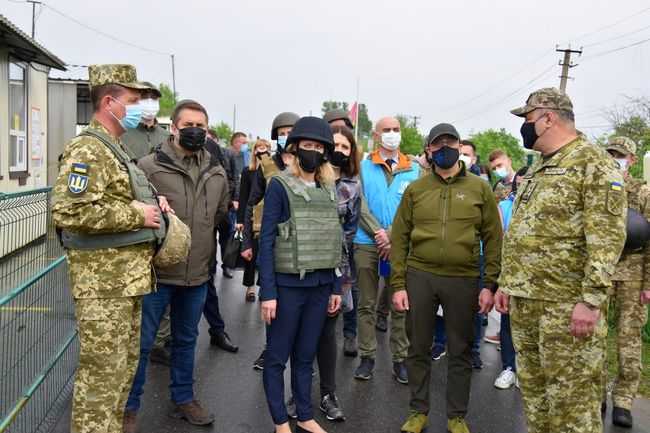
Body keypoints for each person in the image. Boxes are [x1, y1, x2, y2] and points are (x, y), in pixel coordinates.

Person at [495, 87, 627, 433]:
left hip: (567, 308)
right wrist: (507, 283)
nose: (524, 128)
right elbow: (522, 229)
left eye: (527, 120)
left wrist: (591, 300)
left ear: (548, 118)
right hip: (527, 303)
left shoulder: (593, 163)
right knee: (536, 402)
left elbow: (607, 239)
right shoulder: (539, 166)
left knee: (572, 409)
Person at [52, 64, 164, 433]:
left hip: (123, 283)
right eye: (133, 100)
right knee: (101, 379)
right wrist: (137, 215)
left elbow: (116, 198)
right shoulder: (88, 148)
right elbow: (70, 210)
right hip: (103, 287)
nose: (140, 107)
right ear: (109, 101)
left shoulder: (114, 147)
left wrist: (149, 203)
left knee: (120, 373)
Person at [124, 99, 229, 430]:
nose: (196, 132)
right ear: (174, 128)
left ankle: (182, 400)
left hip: (196, 275)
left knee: (186, 341)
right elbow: (131, 212)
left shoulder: (216, 170)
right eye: (189, 126)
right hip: (157, 275)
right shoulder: (147, 167)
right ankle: (128, 409)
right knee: (141, 345)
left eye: (201, 126)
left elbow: (221, 214)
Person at [392, 123, 502, 433]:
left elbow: (494, 238)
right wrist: (399, 284)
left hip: (463, 278)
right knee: (418, 347)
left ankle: (456, 415)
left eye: (449, 142)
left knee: (460, 349)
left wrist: (489, 284)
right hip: (420, 275)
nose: (444, 148)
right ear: (428, 150)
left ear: (459, 145)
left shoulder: (479, 188)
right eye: (437, 144)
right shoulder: (416, 189)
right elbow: (399, 239)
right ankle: (418, 411)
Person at [259, 116, 342, 433]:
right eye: (307, 145)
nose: (312, 151)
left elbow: (334, 240)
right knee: (278, 357)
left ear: (325, 152)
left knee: (306, 357)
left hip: (320, 286)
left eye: (318, 146)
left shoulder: (328, 188)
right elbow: (266, 240)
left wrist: (335, 287)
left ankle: (305, 416)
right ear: (294, 149)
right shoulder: (280, 185)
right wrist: (268, 293)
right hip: (288, 286)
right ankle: (281, 421)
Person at [353, 116, 419, 383]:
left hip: (400, 247)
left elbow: (415, 208)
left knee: (400, 305)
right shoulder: (362, 166)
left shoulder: (414, 169)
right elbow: (358, 201)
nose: (392, 134)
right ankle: (367, 356)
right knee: (367, 304)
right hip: (366, 243)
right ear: (377, 136)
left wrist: (391, 237)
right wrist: (378, 233)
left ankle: (400, 358)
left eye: (396, 129)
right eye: (387, 130)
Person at [119, 81, 173, 366]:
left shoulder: (167, 136)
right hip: (137, 217)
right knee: (140, 283)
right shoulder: (125, 135)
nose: (149, 103)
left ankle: (161, 340)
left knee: (164, 277)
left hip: (167, 217)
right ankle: (141, 340)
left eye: (153, 98)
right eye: (144, 98)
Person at [242, 111, 300, 370]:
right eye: (282, 132)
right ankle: (271, 349)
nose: (286, 136)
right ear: (276, 135)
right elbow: (252, 204)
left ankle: (298, 350)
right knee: (270, 296)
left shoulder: (308, 162)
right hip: (271, 241)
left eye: (291, 131)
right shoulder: (267, 165)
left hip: (300, 244)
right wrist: (246, 243)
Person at [602, 136, 650, 427]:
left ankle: (623, 401)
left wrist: (648, 284)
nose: (614, 157)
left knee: (628, 339)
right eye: (610, 153)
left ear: (631, 159)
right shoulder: (599, 185)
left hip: (633, 273)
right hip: (602, 270)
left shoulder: (643, 192)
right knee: (594, 336)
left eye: (620, 154)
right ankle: (597, 393)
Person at [202, 129, 239, 353]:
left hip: (203, 247)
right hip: (173, 248)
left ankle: (217, 331)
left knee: (207, 288)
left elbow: (222, 216)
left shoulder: (217, 175)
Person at [493, 165, 528, 390]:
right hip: (509, 271)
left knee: (529, 325)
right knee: (507, 321)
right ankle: (508, 368)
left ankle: (526, 369)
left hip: (536, 277)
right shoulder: (505, 206)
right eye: (521, 180)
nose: (524, 184)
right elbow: (499, 238)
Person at [236, 138, 271, 302]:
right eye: (260, 147)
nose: (263, 149)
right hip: (254, 214)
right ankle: (250, 288)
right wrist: (240, 219)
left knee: (267, 253)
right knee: (251, 251)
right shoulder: (247, 171)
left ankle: (264, 286)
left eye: (266, 147)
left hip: (269, 214)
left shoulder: (272, 169)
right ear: (255, 150)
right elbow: (244, 198)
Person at [120, 81, 170, 159]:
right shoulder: (122, 135)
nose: (149, 101)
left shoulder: (168, 138)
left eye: (154, 98)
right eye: (144, 97)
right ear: (135, 100)